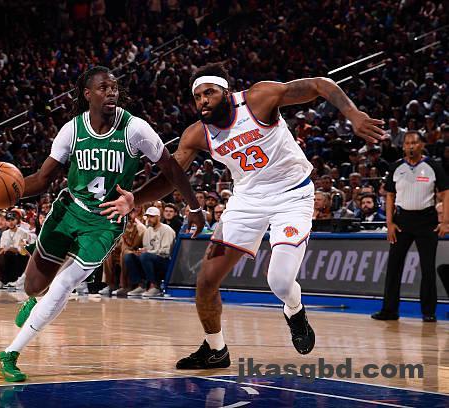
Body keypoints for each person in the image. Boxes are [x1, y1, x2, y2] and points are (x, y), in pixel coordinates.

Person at [101, 62, 385, 368]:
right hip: (247, 201)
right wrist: (135, 199)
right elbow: (171, 176)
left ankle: (294, 309)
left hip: (292, 195)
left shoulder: (259, 98)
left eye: (209, 93)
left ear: (226, 92)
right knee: (206, 280)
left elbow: (319, 84)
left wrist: (353, 114)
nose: (203, 101)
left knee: (279, 282)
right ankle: (216, 349)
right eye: (197, 97)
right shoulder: (197, 134)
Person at [0, 66, 204, 382]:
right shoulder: (72, 130)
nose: (111, 93)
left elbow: (172, 171)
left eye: (114, 88)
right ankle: (35, 301)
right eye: (103, 88)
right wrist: (10, 193)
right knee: (34, 286)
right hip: (69, 210)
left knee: (65, 284)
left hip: (106, 221)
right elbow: (43, 178)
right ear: (87, 94)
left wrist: (194, 206)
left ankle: (9, 354)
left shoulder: (135, 129)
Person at [372, 131, 448, 322]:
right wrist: (389, 223)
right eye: (407, 143)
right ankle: (389, 310)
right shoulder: (396, 167)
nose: (410, 146)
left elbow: (446, 193)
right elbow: (389, 195)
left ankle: (428, 312)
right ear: (403, 146)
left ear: (422, 145)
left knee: (428, 268)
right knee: (393, 266)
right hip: (402, 221)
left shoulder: (433, 166)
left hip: (427, 221)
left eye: (414, 142)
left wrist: (445, 221)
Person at [125, 206, 176, 297]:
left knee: (145, 256)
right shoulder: (148, 230)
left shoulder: (167, 229)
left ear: (158, 217)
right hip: (151, 258)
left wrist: (147, 252)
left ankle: (155, 286)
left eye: (152, 217)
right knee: (129, 257)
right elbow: (146, 248)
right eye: (148, 217)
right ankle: (141, 285)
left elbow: (166, 251)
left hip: (165, 261)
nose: (149, 219)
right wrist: (140, 251)